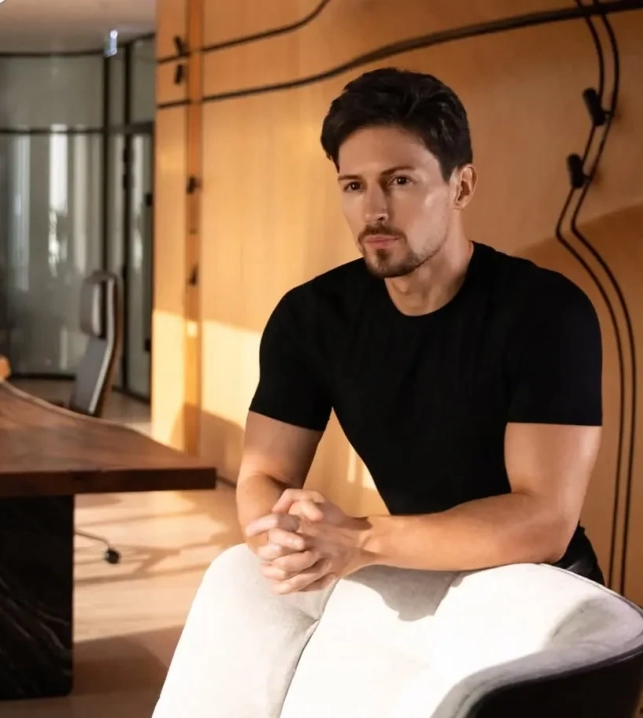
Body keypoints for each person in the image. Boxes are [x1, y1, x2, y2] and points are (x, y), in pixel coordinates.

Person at [238, 66, 604, 595]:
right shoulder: (311, 317)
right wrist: (282, 539)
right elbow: (262, 476)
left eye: (400, 181)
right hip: (421, 576)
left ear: (462, 186)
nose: (374, 211)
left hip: (543, 593)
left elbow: (544, 522)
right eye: (354, 186)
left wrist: (360, 539)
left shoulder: (547, 312)